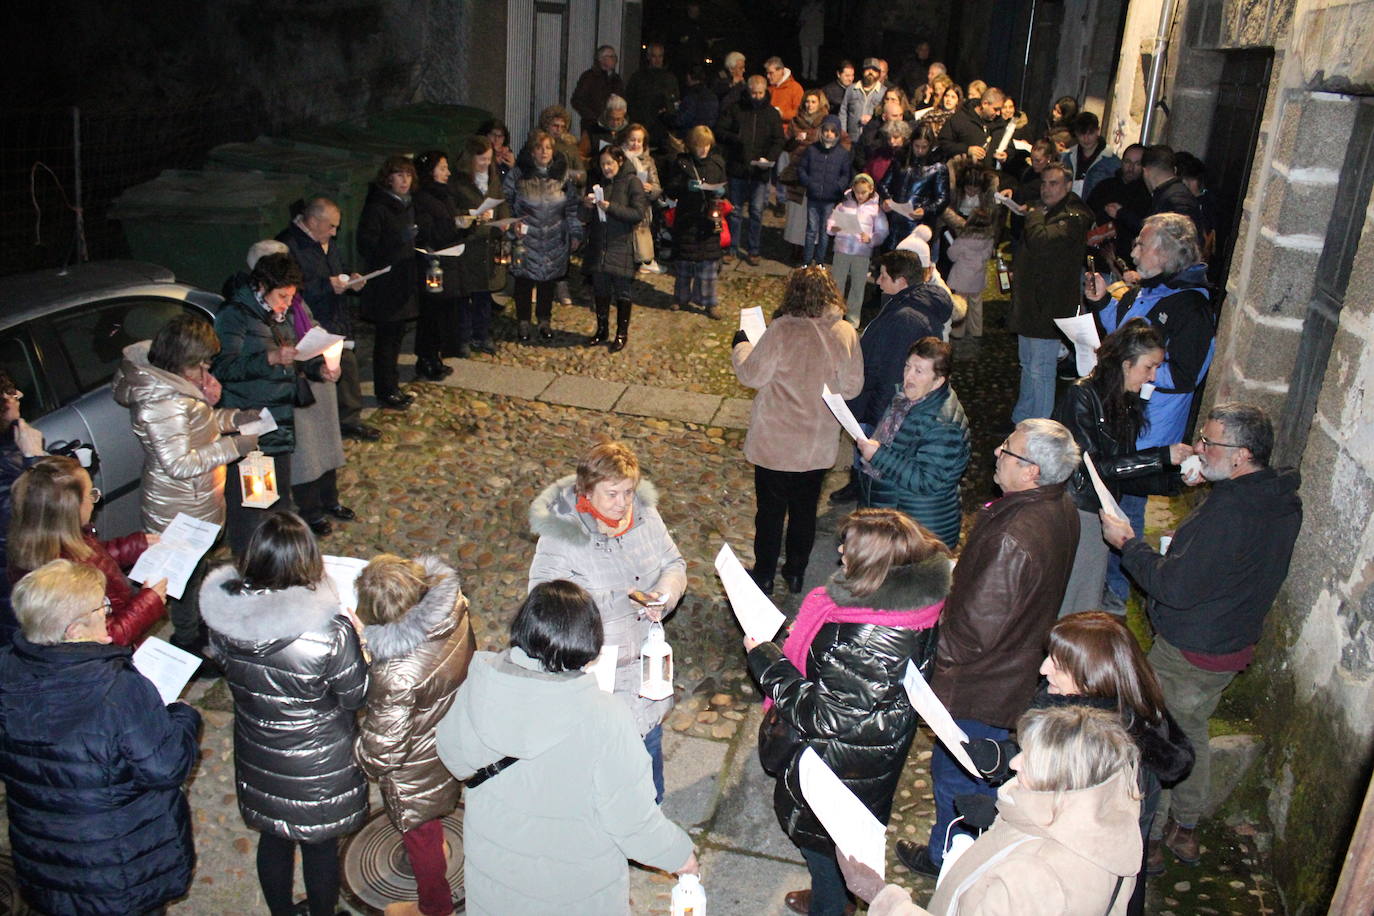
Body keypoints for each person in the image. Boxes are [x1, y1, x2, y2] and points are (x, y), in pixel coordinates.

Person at [1101, 403, 1302, 869]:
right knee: (1190, 729)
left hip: (1191, 648)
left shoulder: (1231, 508)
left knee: (1160, 739)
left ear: (1242, 456)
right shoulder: (1279, 498)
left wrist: (1130, 545)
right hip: (1232, 640)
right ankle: (1185, 829)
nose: (1200, 448)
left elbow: (1175, 587)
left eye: (1211, 442)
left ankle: (1151, 833)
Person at [436, 580, 698, 915]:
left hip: (497, 881)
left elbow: (453, 755)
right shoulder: (605, 717)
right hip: (573, 892)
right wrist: (680, 856)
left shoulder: (480, 684)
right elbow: (632, 823)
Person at [896, 419, 1081, 877]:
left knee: (957, 777)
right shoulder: (1061, 507)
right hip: (1016, 665)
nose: (997, 453)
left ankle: (949, 860)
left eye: (1009, 451)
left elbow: (972, 633)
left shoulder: (1012, 537)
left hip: (983, 685)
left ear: (1033, 471)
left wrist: (930, 664)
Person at [748, 509, 949, 916]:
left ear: (874, 564)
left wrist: (765, 659)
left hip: (842, 766)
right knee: (831, 848)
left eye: (848, 547)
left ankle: (831, 904)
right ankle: (833, 896)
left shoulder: (872, 634)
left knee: (824, 845)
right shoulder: (904, 604)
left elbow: (824, 715)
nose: (839, 550)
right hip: (865, 751)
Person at [0, 559, 201, 916]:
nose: (108, 612)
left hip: (45, 858)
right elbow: (166, 767)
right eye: (102, 607)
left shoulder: (6, 670)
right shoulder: (118, 689)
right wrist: (184, 715)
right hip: (117, 868)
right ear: (75, 629)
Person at [200, 511, 369, 916]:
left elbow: (226, 663)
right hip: (318, 761)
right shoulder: (328, 632)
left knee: (273, 837)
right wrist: (361, 643)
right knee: (320, 846)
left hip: (259, 749)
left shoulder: (225, 616)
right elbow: (356, 696)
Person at [848, 706, 1144, 915]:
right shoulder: (1109, 814)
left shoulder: (1034, 878)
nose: (1014, 764)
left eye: (1029, 760)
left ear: (1062, 782)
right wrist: (1008, 820)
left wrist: (882, 898)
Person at [527, 440, 686, 802]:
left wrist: (665, 594)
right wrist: (623, 603)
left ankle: (646, 824)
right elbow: (545, 604)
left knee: (648, 763)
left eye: (629, 493)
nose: (623, 504)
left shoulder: (646, 516)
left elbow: (674, 565)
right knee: (602, 773)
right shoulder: (561, 537)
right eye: (611, 494)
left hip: (645, 670)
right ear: (586, 491)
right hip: (596, 675)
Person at [1087, 212, 1215, 608]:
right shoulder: (1148, 290)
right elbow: (1121, 329)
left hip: (1149, 430)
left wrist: (1133, 371)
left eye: (1142, 243)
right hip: (1120, 416)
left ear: (1164, 251)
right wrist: (1102, 300)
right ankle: (1100, 585)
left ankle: (1118, 594)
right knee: (1107, 498)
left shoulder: (1190, 306)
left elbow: (1186, 374)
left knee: (1127, 509)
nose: (1133, 249)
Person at [111, 314, 260, 654]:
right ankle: (187, 640)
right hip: (178, 508)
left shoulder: (176, 388)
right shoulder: (163, 401)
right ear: (181, 363)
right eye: (201, 366)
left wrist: (236, 419)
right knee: (184, 579)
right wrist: (235, 447)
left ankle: (200, 625)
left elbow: (200, 426)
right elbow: (179, 462)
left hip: (196, 502)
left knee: (199, 568)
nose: (206, 374)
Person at [732, 267, 864, 595]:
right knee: (805, 512)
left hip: (775, 443)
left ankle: (763, 575)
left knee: (770, 512)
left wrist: (741, 345)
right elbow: (852, 387)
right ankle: (795, 574)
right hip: (816, 445)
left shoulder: (781, 329)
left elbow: (751, 375)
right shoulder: (845, 332)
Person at [355, 554, 475, 916]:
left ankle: (434, 909)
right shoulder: (454, 609)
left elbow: (383, 752)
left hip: (417, 770)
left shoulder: (396, 672)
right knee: (436, 817)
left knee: (421, 838)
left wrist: (357, 753)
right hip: (452, 734)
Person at [1051, 320, 1188, 617]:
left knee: (1084, 598)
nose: (1153, 377)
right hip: (1079, 510)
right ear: (1126, 364)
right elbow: (1094, 468)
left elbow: (1123, 476)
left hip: (1101, 510)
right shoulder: (1082, 396)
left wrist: (1177, 479)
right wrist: (1162, 456)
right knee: (1074, 600)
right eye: (1148, 367)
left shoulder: (1124, 401)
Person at [215, 251, 337, 551]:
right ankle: (251, 564)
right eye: (282, 296)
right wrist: (268, 358)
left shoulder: (278, 316)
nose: (286, 304)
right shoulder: (235, 315)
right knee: (254, 504)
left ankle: (277, 562)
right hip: (251, 426)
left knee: (279, 499)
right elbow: (222, 367)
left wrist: (317, 369)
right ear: (261, 286)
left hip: (278, 423)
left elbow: (291, 357)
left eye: (291, 297)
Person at [8, 456, 167, 646]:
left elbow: (91, 554)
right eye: (90, 494)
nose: (94, 501)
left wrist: (132, 547)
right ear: (71, 509)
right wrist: (147, 604)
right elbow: (103, 637)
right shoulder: (62, 581)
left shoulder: (47, 540)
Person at [276, 196, 378, 441]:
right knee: (322, 372)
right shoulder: (288, 246)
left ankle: (348, 419)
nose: (334, 232)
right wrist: (325, 286)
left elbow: (337, 266)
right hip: (310, 321)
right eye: (331, 226)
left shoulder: (325, 242)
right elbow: (290, 288)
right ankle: (331, 423)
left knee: (346, 365)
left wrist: (349, 277)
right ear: (312, 221)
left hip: (335, 315)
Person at [856, 338, 970, 548]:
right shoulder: (905, 401)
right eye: (907, 366)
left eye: (919, 371)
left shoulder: (943, 426)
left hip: (918, 532)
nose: (908, 376)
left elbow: (927, 481)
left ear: (938, 381)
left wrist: (878, 456)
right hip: (894, 518)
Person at [1007, 161, 1093, 423]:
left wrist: (1032, 215)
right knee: (1027, 364)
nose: (1046, 188)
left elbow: (1041, 241)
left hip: (1050, 305)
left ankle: (1039, 423)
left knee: (1041, 369)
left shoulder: (1074, 215)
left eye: (1053, 183)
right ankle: (1023, 417)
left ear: (1068, 185)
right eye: (1044, 183)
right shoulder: (1051, 210)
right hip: (1031, 302)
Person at [503, 129, 584, 341]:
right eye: (539, 148)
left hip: (554, 237)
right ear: (532, 152)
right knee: (524, 280)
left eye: (548, 147)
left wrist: (575, 233)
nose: (544, 152)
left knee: (548, 280)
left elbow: (572, 208)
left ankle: (544, 320)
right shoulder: (518, 175)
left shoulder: (562, 175)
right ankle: (523, 321)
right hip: (526, 238)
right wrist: (512, 227)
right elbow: (506, 204)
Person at [357, 155, 420, 410]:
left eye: (408, 175)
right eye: (399, 175)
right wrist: (398, 239)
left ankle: (392, 386)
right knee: (386, 339)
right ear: (388, 178)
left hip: (404, 278)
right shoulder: (378, 207)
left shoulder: (406, 204)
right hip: (386, 283)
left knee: (396, 336)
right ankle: (386, 390)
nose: (405, 180)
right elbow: (367, 246)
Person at [581, 146, 648, 352]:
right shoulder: (599, 183)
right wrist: (586, 205)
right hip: (599, 245)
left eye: (609, 163)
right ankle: (602, 330)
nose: (606, 168)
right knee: (600, 290)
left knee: (622, 291)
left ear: (619, 162)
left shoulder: (631, 182)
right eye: (603, 164)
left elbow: (637, 213)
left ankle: (621, 333)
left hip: (621, 244)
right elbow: (584, 218)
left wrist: (611, 207)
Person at [448, 135, 508, 355]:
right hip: (468, 244)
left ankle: (481, 334)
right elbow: (452, 212)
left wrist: (504, 221)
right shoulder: (458, 181)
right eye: (481, 159)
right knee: (465, 295)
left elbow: (501, 201)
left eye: (489, 159)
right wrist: (471, 218)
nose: (486, 164)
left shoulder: (492, 178)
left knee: (484, 293)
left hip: (487, 244)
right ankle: (462, 337)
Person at [717, 74, 785, 267]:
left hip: (759, 172)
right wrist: (735, 139)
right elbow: (720, 131)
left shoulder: (771, 113)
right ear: (748, 91)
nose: (757, 97)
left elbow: (778, 140)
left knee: (756, 212)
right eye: (754, 93)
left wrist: (770, 157)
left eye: (760, 93)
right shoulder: (735, 109)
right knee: (735, 211)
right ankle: (731, 247)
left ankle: (754, 249)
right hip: (738, 168)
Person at [0, 372, 48, 643]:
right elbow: (31, 522)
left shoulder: (9, 441)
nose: (18, 396)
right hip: (15, 586)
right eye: (9, 393)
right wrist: (35, 460)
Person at [664, 125, 728, 317]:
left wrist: (721, 192)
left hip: (709, 221)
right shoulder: (682, 163)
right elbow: (671, 189)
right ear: (692, 145)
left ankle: (709, 302)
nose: (704, 149)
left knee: (708, 264)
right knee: (684, 262)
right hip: (687, 219)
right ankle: (680, 297)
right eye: (700, 145)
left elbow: (725, 184)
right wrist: (685, 186)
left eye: (707, 145)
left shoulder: (717, 163)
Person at [412, 149, 466, 373]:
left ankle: (436, 354)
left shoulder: (445, 194)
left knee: (444, 312)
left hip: (448, 261)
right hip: (433, 264)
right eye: (442, 168)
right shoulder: (423, 198)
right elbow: (428, 233)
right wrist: (457, 226)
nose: (448, 172)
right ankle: (426, 357)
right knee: (431, 314)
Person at [826, 173, 889, 325]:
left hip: (861, 252)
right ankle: (834, 316)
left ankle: (853, 319)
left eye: (864, 192)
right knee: (836, 283)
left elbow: (883, 231)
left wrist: (871, 239)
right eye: (857, 192)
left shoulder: (875, 210)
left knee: (858, 286)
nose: (860, 196)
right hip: (841, 250)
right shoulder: (843, 206)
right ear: (852, 189)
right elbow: (830, 224)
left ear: (871, 190)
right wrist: (834, 228)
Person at [944, 169, 997, 338]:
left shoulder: (963, 239)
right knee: (977, 305)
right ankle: (976, 330)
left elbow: (952, 254)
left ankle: (958, 332)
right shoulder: (988, 239)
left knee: (960, 305)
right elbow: (987, 255)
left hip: (961, 278)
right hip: (978, 278)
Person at [779, 89, 830, 263]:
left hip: (817, 172)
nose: (809, 105)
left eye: (813, 102)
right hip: (796, 171)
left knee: (813, 213)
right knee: (796, 214)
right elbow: (785, 144)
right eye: (807, 101)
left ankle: (811, 249)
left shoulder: (826, 122)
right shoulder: (795, 121)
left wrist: (810, 140)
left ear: (820, 103)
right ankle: (795, 248)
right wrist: (795, 140)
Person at [879, 125, 948, 249]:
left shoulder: (938, 167)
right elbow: (884, 184)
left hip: (918, 225)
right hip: (894, 221)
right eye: (917, 146)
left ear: (931, 146)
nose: (920, 151)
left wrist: (926, 210)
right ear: (911, 143)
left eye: (924, 147)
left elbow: (943, 198)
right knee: (889, 259)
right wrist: (887, 199)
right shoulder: (900, 159)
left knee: (912, 260)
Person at [797, 115, 852, 266]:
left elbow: (846, 174)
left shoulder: (842, 154)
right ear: (821, 132)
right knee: (810, 230)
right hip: (813, 196)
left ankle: (820, 261)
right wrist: (808, 183)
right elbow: (802, 168)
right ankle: (807, 261)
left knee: (824, 231)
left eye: (833, 131)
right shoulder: (812, 150)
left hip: (829, 198)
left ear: (838, 134)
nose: (829, 134)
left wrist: (838, 187)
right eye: (826, 130)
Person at [620, 123, 664, 273]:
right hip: (622, 203)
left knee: (640, 238)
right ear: (626, 139)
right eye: (632, 140)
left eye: (639, 141)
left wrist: (651, 189)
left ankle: (643, 262)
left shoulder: (648, 160)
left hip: (641, 207)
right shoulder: (618, 157)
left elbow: (657, 186)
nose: (635, 144)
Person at [624, 42, 679, 149]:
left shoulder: (670, 78)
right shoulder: (638, 78)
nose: (657, 60)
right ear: (648, 57)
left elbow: (675, 102)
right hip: (642, 126)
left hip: (662, 128)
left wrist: (668, 115)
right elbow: (629, 101)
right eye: (654, 56)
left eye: (660, 56)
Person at [937, 87, 1007, 162]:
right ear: (985, 104)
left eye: (1000, 110)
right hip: (965, 170)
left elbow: (1008, 144)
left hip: (990, 171)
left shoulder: (999, 123)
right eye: (996, 109)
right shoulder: (960, 118)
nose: (999, 113)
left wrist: (1006, 154)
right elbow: (943, 143)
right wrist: (967, 149)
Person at [1062, 110, 1120, 201]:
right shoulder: (1067, 157)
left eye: (1090, 133)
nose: (1086, 139)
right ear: (1076, 134)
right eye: (1082, 134)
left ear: (1098, 131)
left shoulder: (1112, 162)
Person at [571, 44, 625, 135]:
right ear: (601, 59)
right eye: (611, 56)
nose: (614, 59)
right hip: (592, 126)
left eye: (615, 57)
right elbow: (577, 100)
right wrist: (593, 117)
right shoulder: (589, 77)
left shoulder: (617, 79)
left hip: (613, 126)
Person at [842, 58, 886, 139]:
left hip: (873, 139)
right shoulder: (852, 89)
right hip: (852, 138)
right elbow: (843, 111)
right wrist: (843, 133)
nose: (871, 72)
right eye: (868, 69)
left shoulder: (884, 92)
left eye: (874, 70)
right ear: (863, 71)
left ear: (879, 73)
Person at [578, 94, 630, 161]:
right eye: (612, 118)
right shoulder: (592, 131)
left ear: (624, 115)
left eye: (618, 119)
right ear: (606, 114)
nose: (615, 122)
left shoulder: (630, 131)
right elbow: (580, 156)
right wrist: (595, 163)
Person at [765, 55, 805, 132]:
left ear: (781, 71)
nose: (768, 76)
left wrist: (782, 114)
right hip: (768, 130)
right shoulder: (769, 88)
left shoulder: (795, 88)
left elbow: (800, 113)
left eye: (771, 73)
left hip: (786, 132)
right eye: (767, 73)